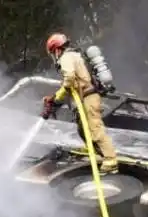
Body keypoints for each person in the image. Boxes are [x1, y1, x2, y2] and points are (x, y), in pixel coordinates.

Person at [41, 32, 119, 174]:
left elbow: (69, 79)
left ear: (57, 49)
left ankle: (110, 159)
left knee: (95, 128)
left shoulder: (66, 57)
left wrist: (58, 95)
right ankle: (99, 154)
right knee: (82, 129)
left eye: (53, 52)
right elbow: (69, 86)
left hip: (89, 97)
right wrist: (55, 98)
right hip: (84, 98)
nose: (54, 56)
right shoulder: (73, 56)